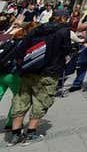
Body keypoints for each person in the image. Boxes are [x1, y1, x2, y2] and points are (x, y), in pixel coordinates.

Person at [7, 9, 71, 146]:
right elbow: (65, 50)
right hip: (48, 74)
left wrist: (22, 65)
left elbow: (20, 49)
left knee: (21, 100)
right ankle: (30, 134)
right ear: (64, 18)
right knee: (40, 102)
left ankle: (15, 135)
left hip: (29, 71)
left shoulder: (37, 28)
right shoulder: (63, 31)